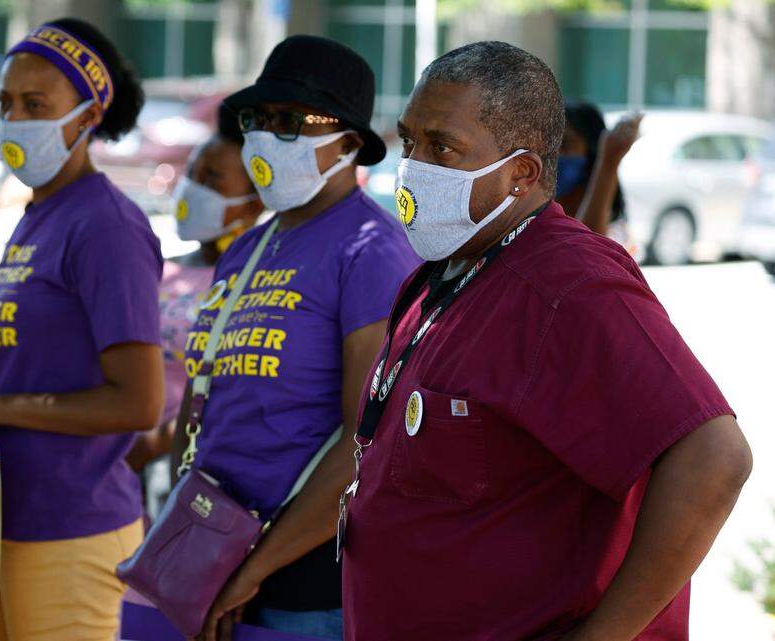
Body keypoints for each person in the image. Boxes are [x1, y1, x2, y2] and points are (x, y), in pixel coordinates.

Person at [341, 41, 751, 641]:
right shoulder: (449, 266)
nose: (413, 166)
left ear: (522, 173)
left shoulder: (570, 284)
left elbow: (714, 460)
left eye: (442, 147)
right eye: (409, 141)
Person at [0, 18, 162, 641]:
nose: (12, 119)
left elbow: (138, 400)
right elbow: (36, 374)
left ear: (87, 116)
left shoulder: (105, 226)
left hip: (72, 531)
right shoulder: (37, 215)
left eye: (35, 105)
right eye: (5, 103)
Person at [171, 36, 420, 641]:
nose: (262, 136)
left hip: (304, 585)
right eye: (257, 119)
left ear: (349, 143)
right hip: (213, 562)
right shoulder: (246, 251)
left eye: (290, 122)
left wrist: (254, 569)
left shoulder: (370, 249)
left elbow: (365, 443)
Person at [125, 105, 263, 511]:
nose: (194, 189)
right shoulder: (161, 267)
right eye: (193, 175)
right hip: (124, 457)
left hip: (185, 468)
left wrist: (155, 444)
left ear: (253, 203)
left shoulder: (252, 282)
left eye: (213, 180)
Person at [556, 100, 641, 239]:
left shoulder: (615, 233)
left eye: (565, 144)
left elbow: (587, 247)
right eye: (549, 145)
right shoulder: (532, 220)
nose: (555, 155)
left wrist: (608, 163)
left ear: (592, 151)